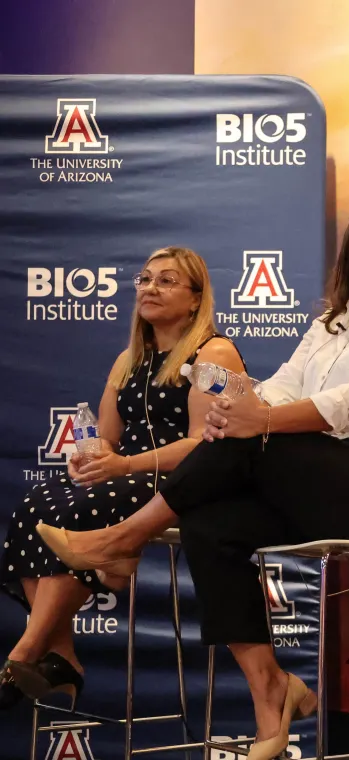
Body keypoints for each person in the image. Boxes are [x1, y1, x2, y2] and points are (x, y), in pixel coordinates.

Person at [38, 193, 349, 760]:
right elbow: (286, 384)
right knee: (213, 521)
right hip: (328, 478)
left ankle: (122, 540)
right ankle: (271, 688)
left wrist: (256, 418)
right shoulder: (337, 319)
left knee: (250, 437)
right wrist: (238, 408)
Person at [0, 247, 243, 710]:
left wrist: (123, 466)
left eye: (167, 281)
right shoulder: (129, 357)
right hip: (125, 472)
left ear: (195, 299)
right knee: (36, 504)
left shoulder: (215, 351)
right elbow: (108, 439)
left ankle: (23, 654)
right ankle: (61, 653)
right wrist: (89, 459)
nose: (150, 288)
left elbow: (203, 444)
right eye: (145, 279)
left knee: (79, 510)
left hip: (183, 479)